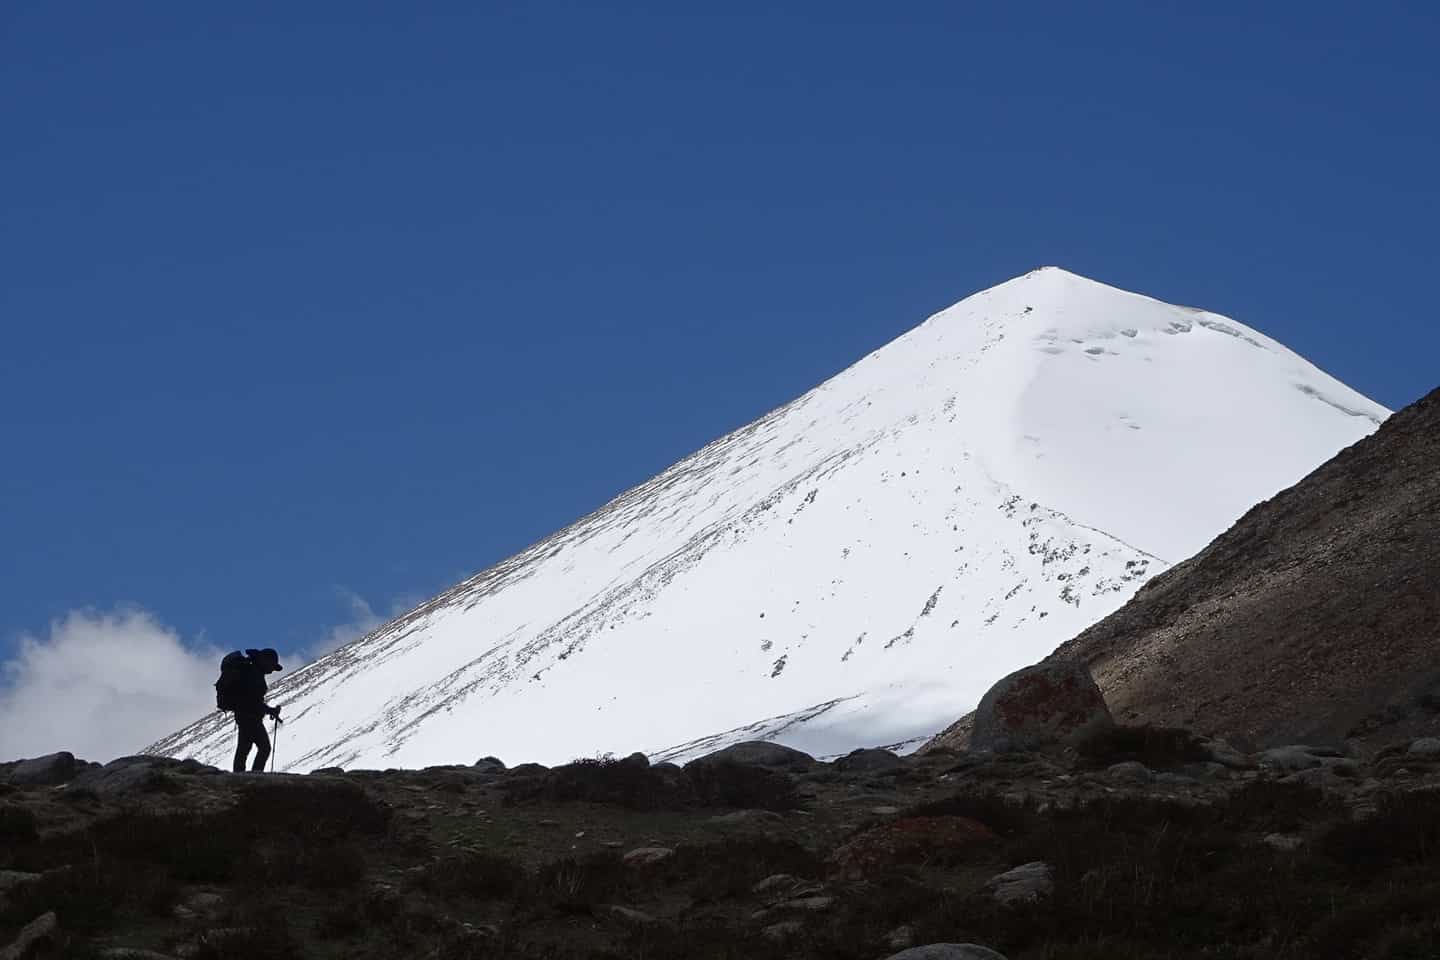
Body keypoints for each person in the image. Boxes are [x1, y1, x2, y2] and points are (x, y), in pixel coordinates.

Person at [231, 647, 284, 773]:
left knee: (244, 748)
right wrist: (269, 710)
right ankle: (255, 774)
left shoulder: (252, 672)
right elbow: (253, 701)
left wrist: (268, 710)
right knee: (264, 747)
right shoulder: (254, 674)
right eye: (272, 666)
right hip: (250, 717)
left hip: (244, 715)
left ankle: (238, 776)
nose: (272, 670)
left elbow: (252, 700)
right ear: (265, 661)